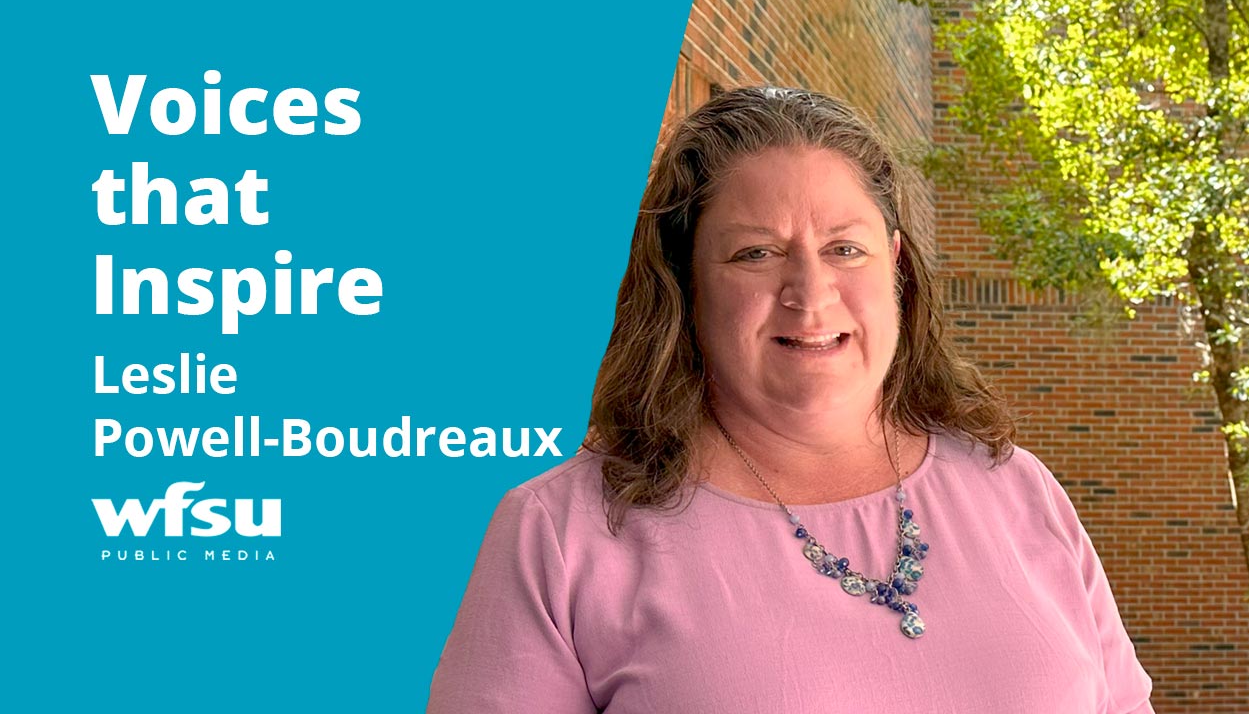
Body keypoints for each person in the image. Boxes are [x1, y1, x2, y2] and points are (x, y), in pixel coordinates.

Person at [426, 86, 1154, 713]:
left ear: (895, 264)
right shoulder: (562, 533)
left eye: (845, 248)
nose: (810, 296)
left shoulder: (1017, 488)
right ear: (685, 281)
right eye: (756, 253)